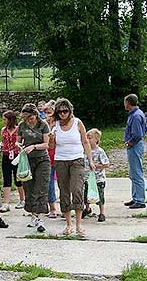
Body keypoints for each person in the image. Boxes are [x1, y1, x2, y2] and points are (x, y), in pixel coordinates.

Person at [52, 98, 95, 236]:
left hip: (77, 159)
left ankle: (79, 224)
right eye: (60, 111)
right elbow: (51, 147)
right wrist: (51, 139)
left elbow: (85, 142)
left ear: (70, 110)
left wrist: (90, 160)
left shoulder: (78, 123)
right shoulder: (55, 125)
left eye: (65, 111)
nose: (63, 114)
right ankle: (68, 224)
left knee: (77, 189)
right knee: (64, 191)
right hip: (60, 160)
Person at [16, 103, 50, 232]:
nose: (29, 120)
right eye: (27, 118)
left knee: (41, 187)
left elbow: (46, 144)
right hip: (27, 160)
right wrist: (19, 145)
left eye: (31, 118)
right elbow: (18, 141)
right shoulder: (21, 125)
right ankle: (33, 214)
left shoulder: (43, 125)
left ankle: (41, 217)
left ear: (35, 115)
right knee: (29, 187)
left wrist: (34, 147)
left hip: (42, 159)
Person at [123, 94, 147, 209]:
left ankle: (140, 200)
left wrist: (130, 142)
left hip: (135, 146)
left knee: (137, 172)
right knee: (133, 173)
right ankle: (135, 197)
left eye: (125, 102)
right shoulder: (137, 114)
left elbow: (137, 134)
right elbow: (145, 129)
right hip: (136, 145)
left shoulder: (136, 116)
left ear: (128, 103)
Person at [82, 128, 110, 222]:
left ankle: (102, 212)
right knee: (86, 194)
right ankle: (87, 209)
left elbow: (106, 164)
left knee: (100, 195)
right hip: (87, 178)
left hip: (98, 178)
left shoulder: (100, 151)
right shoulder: (84, 150)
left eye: (89, 138)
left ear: (96, 139)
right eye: (86, 138)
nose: (87, 140)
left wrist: (96, 166)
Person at [0, 110, 25, 212]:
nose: (3, 121)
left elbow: (22, 141)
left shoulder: (18, 129)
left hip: (16, 155)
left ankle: (22, 199)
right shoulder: (3, 130)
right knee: (7, 179)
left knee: (18, 178)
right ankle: (6, 203)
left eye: (5, 119)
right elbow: (2, 141)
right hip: (6, 155)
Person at [43, 100, 58, 218]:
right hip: (48, 155)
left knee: (64, 183)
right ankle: (52, 207)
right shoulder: (43, 125)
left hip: (60, 154)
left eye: (50, 112)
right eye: (46, 112)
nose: (48, 115)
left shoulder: (61, 124)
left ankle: (65, 206)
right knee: (49, 182)